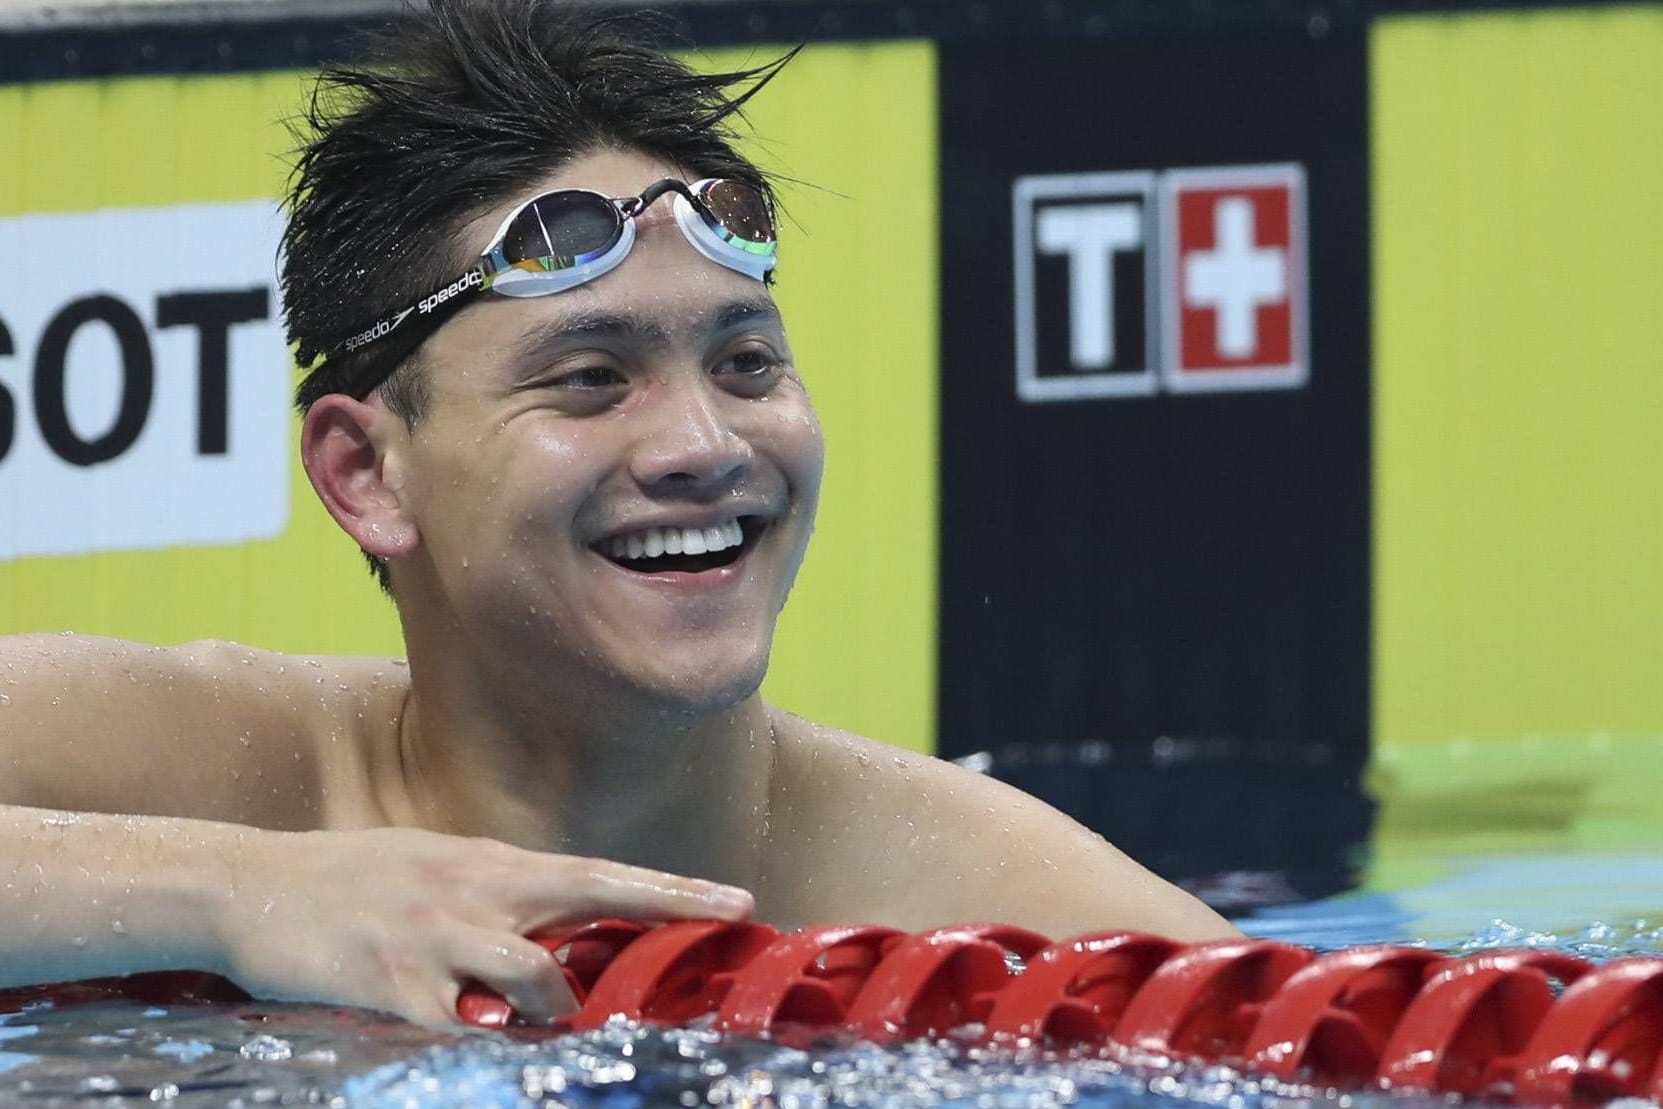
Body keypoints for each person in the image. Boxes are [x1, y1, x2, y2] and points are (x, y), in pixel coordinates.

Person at [0, 0, 1234, 1028]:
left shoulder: (996, 903)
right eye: (589, 378)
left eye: (747, 364)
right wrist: (243, 892)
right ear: (365, 474)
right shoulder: (221, 774)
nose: (704, 446)